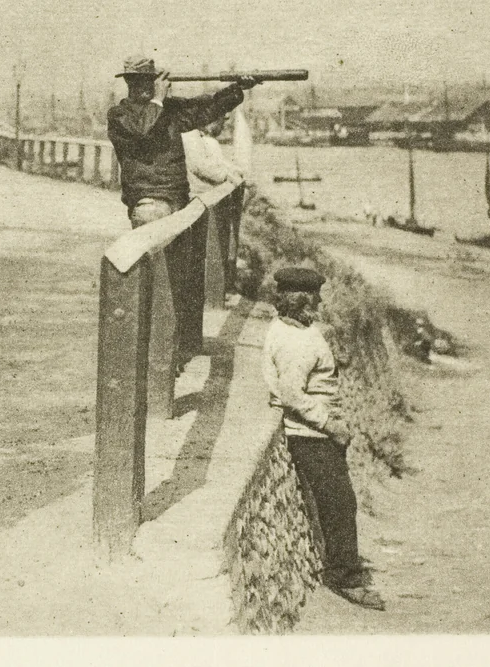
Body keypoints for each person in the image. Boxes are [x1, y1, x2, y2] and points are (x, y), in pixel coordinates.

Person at [262, 266, 386, 611]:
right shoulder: (296, 342)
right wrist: (330, 424)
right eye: (314, 298)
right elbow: (291, 394)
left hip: (315, 433)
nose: (319, 302)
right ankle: (344, 578)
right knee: (340, 505)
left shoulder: (291, 330)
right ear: (300, 301)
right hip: (312, 436)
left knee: (339, 503)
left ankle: (342, 569)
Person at [107, 55, 257, 228]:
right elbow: (143, 131)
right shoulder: (119, 115)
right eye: (139, 80)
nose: (146, 85)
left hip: (179, 201)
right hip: (150, 205)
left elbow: (205, 107)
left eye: (150, 79)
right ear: (128, 81)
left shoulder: (168, 110)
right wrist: (157, 100)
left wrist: (237, 89)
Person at [183, 116, 246, 196]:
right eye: (221, 120)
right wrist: (227, 175)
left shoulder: (202, 137)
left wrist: (233, 170)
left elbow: (218, 162)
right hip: (200, 194)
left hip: (207, 190)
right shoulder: (192, 136)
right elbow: (201, 166)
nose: (223, 125)